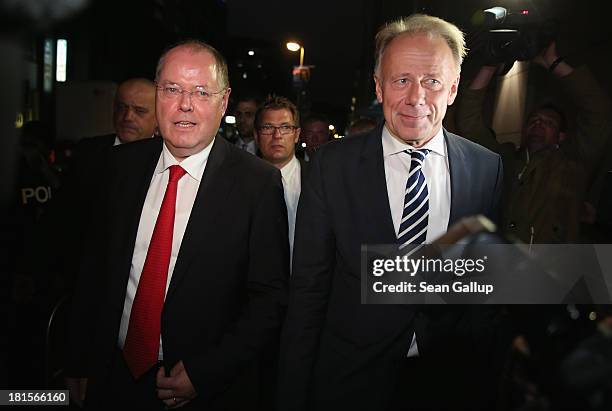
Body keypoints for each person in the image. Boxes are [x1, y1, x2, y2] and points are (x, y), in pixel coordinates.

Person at [279, 14, 506, 411]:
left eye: (432, 81)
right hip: (350, 380)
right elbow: (309, 291)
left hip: (448, 381)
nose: (416, 98)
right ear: (379, 87)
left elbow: (485, 286)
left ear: (453, 89)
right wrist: (293, 393)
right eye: (401, 80)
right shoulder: (331, 166)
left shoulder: (487, 168)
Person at [65, 40, 289, 410]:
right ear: (158, 95)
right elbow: (93, 270)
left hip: (200, 390)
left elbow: (269, 300)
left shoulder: (257, 184)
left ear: (224, 101)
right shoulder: (120, 167)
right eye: (172, 89)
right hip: (110, 376)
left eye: (201, 92)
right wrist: (78, 357)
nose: (185, 104)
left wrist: (206, 373)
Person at [456, 42, 612, 244]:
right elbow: (469, 123)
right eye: (533, 120)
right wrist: (490, 65)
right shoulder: (505, 159)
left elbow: (599, 112)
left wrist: (554, 62)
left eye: (548, 123)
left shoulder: (573, 162)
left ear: (561, 136)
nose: (539, 124)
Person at [253, 95, 307, 266]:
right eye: (268, 127)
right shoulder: (238, 181)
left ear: (297, 134)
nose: (277, 135)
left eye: (285, 127)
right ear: (256, 135)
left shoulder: (319, 179)